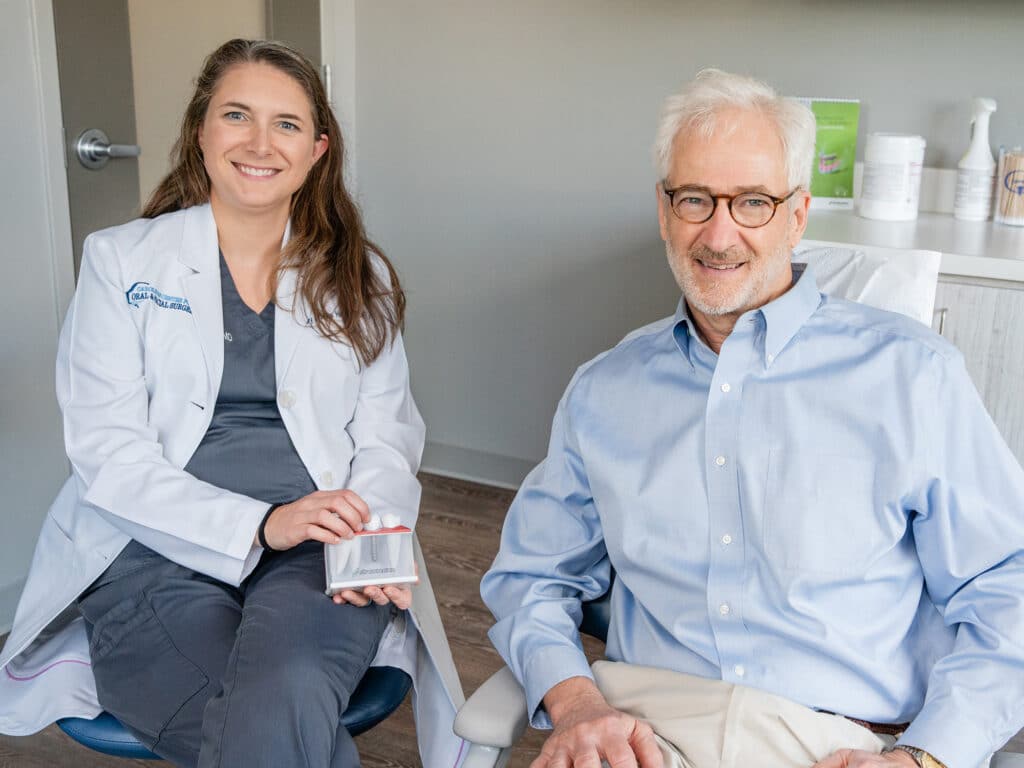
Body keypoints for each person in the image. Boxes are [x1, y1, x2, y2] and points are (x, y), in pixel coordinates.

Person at [481, 69, 1024, 768]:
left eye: (754, 203)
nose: (718, 233)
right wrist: (578, 703)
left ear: (797, 215)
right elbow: (531, 576)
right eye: (696, 200)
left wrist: (924, 757)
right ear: (663, 209)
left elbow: (1007, 587)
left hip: (841, 743)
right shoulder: (603, 391)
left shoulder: (914, 376)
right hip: (648, 732)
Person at [0, 39, 461, 768]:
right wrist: (261, 524)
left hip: (321, 544)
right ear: (201, 132)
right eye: (236, 115)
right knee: (269, 713)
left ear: (317, 149)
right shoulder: (121, 261)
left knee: (285, 687)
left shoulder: (356, 273)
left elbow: (387, 437)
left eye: (286, 124)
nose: (258, 142)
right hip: (150, 545)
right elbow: (108, 454)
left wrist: (363, 532)